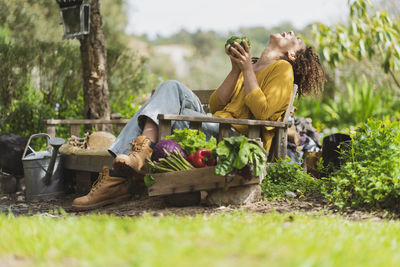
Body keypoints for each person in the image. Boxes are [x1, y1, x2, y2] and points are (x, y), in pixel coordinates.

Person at [71, 31, 326, 210]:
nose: (290, 32)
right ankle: (137, 157)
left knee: (162, 112)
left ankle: (117, 179)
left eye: (296, 38)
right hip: (216, 125)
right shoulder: (253, 65)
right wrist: (237, 69)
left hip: (234, 140)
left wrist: (247, 70)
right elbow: (216, 105)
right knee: (171, 86)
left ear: (292, 54)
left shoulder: (283, 70)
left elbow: (262, 114)